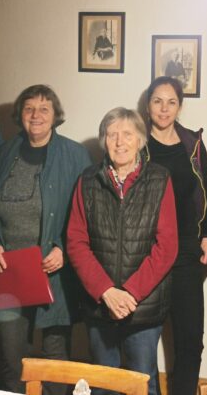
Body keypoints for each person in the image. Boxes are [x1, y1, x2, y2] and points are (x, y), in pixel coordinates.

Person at [0, 84, 91, 393]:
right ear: (20, 114)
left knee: (55, 356)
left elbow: (86, 214)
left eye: (44, 108)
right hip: (9, 271)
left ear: (55, 115)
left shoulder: (74, 155)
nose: (36, 115)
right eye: (29, 108)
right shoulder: (3, 153)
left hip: (52, 270)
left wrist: (64, 251)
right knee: (10, 357)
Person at [66, 107, 178, 395]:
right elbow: (76, 242)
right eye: (112, 135)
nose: (119, 142)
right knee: (103, 384)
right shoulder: (87, 180)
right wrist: (106, 291)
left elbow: (167, 247)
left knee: (143, 383)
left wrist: (129, 294)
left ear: (140, 140)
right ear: (103, 141)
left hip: (141, 307)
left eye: (127, 134)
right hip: (99, 305)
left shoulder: (160, 179)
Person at [143, 76, 207, 395]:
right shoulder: (135, 141)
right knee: (142, 342)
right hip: (145, 253)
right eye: (158, 101)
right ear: (148, 105)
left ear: (180, 106)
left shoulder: (193, 145)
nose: (164, 108)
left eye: (171, 102)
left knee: (189, 340)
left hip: (186, 253)